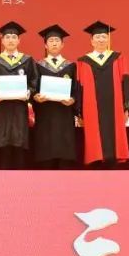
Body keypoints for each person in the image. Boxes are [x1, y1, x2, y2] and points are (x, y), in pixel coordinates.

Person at [76, 21, 129, 168]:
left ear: (108, 39)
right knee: (94, 144)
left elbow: (125, 81)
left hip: (114, 107)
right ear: (91, 41)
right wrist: (79, 112)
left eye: (104, 37)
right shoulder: (83, 61)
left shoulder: (118, 58)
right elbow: (79, 87)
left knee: (114, 146)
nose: (101, 40)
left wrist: (127, 107)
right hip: (91, 109)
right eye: (97, 37)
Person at [0, 22, 38, 169]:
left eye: (14, 37)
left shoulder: (27, 60)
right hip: (2, 111)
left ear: (19, 40)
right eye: (7, 37)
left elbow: (34, 82)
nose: (11, 40)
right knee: (3, 148)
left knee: (19, 146)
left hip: (20, 111)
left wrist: (29, 92)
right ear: (2, 40)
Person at [31, 24, 79, 169]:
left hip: (64, 115)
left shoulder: (71, 66)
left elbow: (76, 90)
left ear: (62, 44)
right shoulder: (38, 65)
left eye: (57, 40)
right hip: (45, 114)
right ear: (45, 45)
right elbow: (33, 87)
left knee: (64, 153)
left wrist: (73, 99)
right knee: (46, 152)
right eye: (51, 41)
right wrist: (35, 97)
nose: (54, 43)